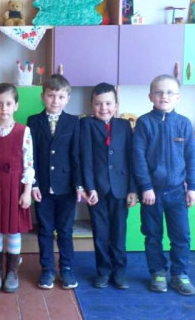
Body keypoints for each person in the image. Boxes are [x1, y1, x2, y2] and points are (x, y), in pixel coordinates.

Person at [133, 74, 195, 296]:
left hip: (177, 193)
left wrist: (192, 187)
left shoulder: (184, 124)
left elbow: (192, 157)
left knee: (181, 236)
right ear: (150, 96)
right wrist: (146, 186)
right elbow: (138, 157)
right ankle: (158, 272)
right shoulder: (144, 123)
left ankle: (180, 274)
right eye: (159, 92)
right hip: (151, 194)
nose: (164, 96)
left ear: (178, 97)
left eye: (170, 92)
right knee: (153, 235)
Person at [80, 82, 137, 289]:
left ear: (116, 105)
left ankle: (119, 273)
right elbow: (85, 159)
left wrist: (132, 189)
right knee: (101, 234)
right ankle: (103, 272)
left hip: (121, 189)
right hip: (98, 190)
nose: (103, 108)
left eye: (108, 103)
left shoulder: (124, 126)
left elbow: (131, 158)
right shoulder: (86, 125)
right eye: (98, 103)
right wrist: (90, 187)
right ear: (91, 105)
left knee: (119, 234)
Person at [27, 74, 82, 290]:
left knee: (65, 230)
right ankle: (47, 269)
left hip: (67, 187)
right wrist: (33, 184)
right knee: (45, 229)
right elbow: (30, 155)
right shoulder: (33, 121)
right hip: (42, 187)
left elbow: (76, 155)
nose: (55, 101)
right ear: (43, 97)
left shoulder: (74, 122)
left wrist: (79, 184)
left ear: (67, 98)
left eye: (60, 96)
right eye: (51, 96)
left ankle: (67, 268)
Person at [0, 83, 34, 293]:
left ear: (16, 105)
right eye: (0, 104)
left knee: (13, 229)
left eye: (9, 103)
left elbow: (29, 163)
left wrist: (26, 192)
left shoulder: (23, 131)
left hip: (15, 187)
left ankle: (12, 271)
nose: (4, 108)